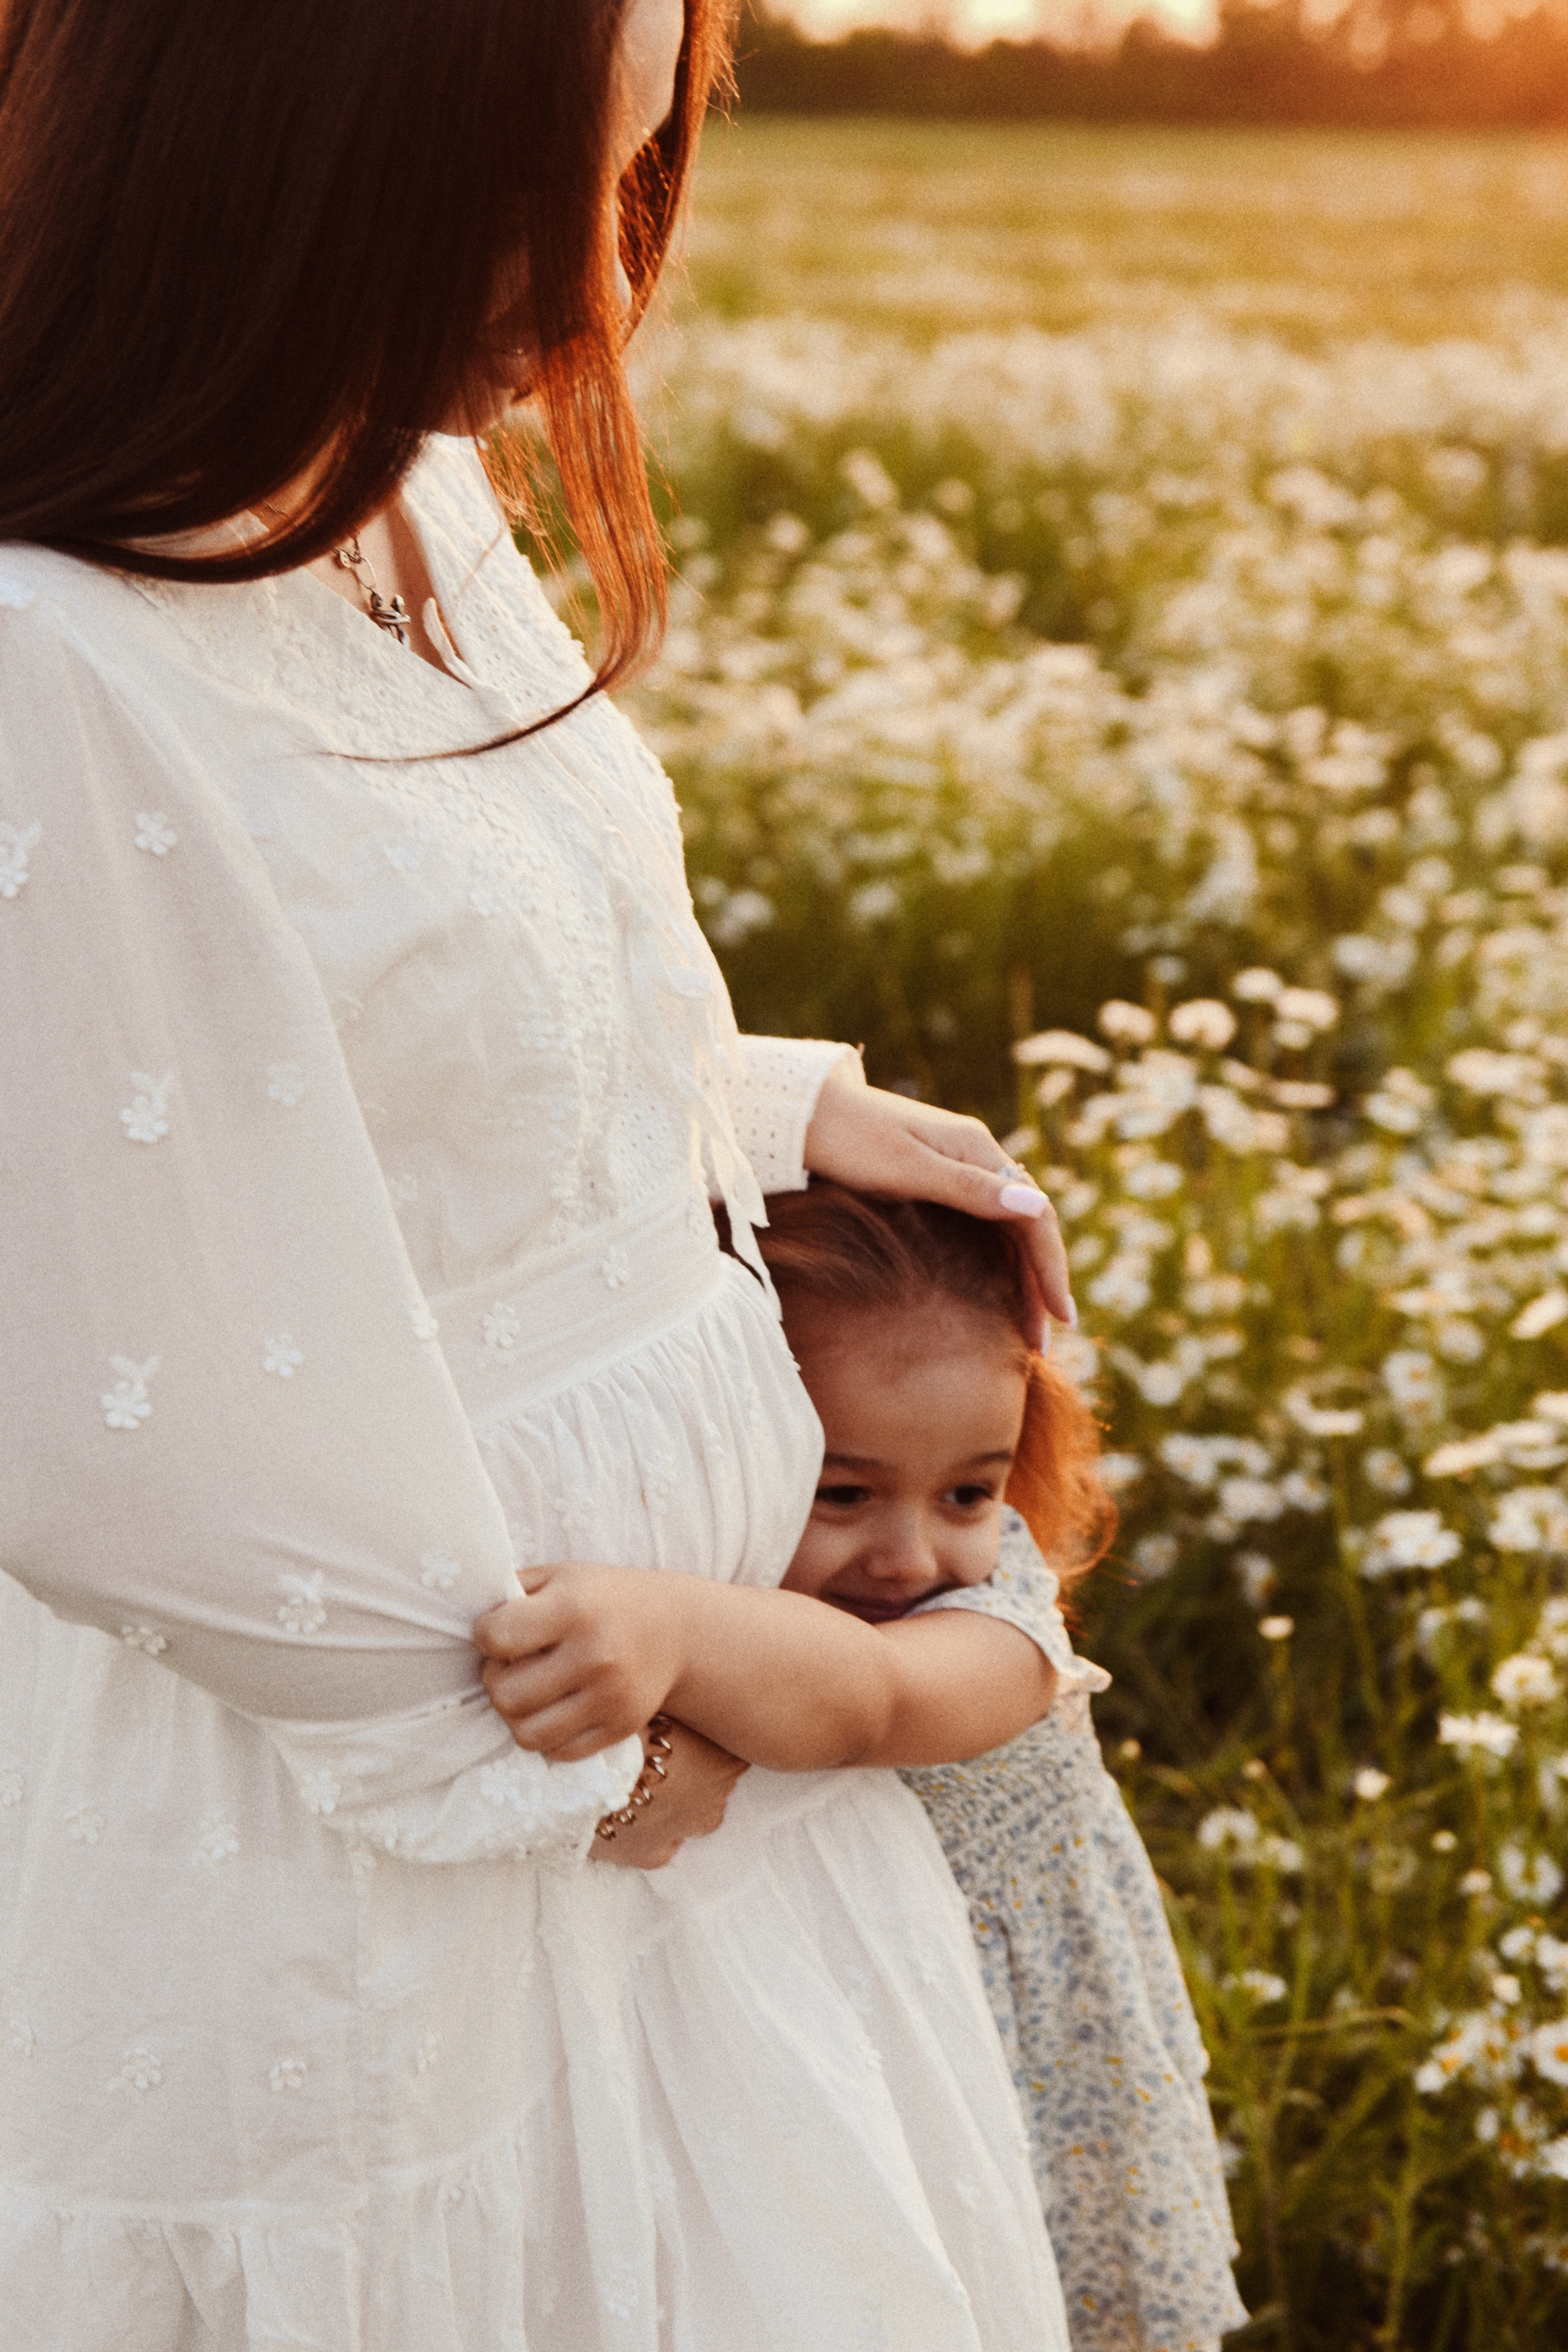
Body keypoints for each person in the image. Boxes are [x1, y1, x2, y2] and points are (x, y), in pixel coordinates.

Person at [0, 4, 1083, 2347]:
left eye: (623, 181)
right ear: (263, 153)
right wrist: (606, 1751)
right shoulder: (41, 653)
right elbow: (91, 1388)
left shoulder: (391, 484)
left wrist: (765, 1108)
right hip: (406, 1823)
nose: (595, 282)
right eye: (523, 198)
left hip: (681, 1781)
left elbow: (380, 1005)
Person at [758, 1184, 1252, 2352]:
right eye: (844, 1491)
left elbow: (857, 1701)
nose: (912, 1552)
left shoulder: (1001, 1622)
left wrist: (654, 1622)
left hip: (1023, 2064)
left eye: (969, 1491)